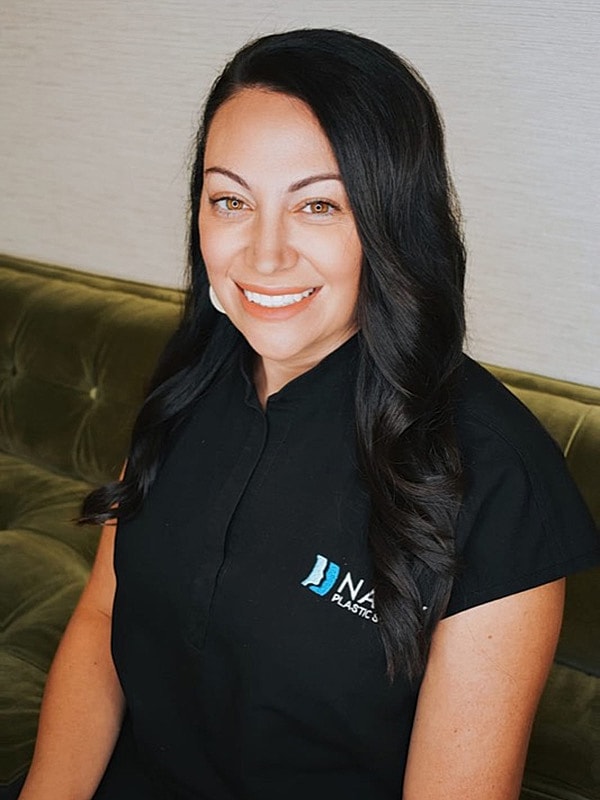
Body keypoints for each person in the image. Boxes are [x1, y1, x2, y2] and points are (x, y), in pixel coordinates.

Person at [18, 28, 599, 800]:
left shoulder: (499, 477)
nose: (263, 255)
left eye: (319, 205)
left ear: (394, 220)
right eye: (231, 199)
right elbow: (103, 617)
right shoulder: (196, 375)